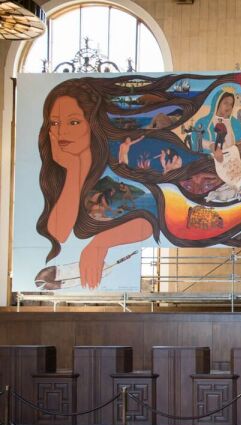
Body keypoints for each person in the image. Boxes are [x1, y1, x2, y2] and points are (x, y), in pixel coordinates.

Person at [38, 79, 154, 288]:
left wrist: (101, 243)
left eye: (73, 122)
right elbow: (58, 233)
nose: (61, 133)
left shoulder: (112, 172)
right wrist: (73, 170)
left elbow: (148, 221)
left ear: (92, 124)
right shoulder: (60, 171)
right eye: (55, 123)